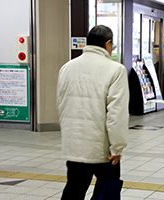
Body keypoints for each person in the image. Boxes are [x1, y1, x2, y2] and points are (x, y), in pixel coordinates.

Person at [57, 25, 129, 200]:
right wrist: (117, 147)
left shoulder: (67, 67)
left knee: (74, 189)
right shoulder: (116, 70)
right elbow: (117, 113)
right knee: (107, 191)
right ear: (108, 43)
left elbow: (61, 105)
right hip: (103, 150)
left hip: (74, 146)